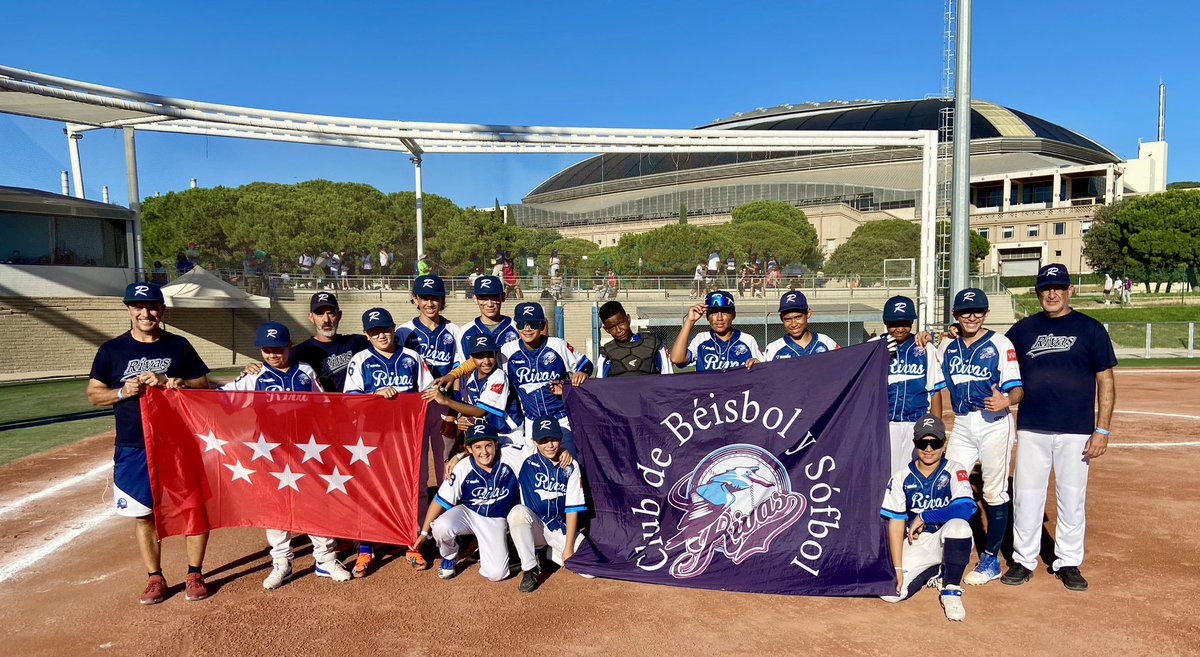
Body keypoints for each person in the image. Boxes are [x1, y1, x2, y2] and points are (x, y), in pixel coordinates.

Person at [85, 282, 211, 604]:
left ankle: (194, 573)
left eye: (152, 306)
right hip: (133, 444)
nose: (146, 313)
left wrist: (177, 383)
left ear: (162, 310)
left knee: (192, 508)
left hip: (178, 443)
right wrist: (121, 392)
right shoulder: (111, 351)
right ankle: (155, 578)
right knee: (144, 515)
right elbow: (93, 394)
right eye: (138, 307)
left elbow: (202, 384)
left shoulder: (178, 346)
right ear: (128, 309)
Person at [1001, 264, 1116, 591]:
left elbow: (1105, 380)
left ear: (1070, 291)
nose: (1052, 294)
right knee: (1026, 496)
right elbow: (996, 354)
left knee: (1072, 497)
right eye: (1045, 289)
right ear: (1038, 293)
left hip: (1077, 430)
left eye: (1058, 288)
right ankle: (1023, 560)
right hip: (1033, 427)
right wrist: (954, 332)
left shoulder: (1091, 329)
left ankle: (1067, 561)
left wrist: (1102, 429)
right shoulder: (1022, 330)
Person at [219, 322, 353, 588]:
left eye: (277, 348)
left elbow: (325, 404)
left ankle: (325, 560)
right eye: (266, 349)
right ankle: (281, 562)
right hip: (271, 452)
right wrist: (177, 389)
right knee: (276, 508)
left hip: (308, 449)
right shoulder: (253, 376)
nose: (272, 354)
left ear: (289, 347)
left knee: (316, 503)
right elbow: (221, 399)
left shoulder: (304, 371)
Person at [930, 287, 1023, 586]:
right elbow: (927, 357)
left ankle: (990, 559)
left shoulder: (1000, 343)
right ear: (955, 315)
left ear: (986, 313)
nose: (972, 316)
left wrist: (1007, 401)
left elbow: (1017, 388)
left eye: (979, 311)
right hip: (963, 423)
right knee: (949, 483)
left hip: (994, 422)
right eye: (966, 312)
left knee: (994, 492)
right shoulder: (947, 347)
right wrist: (924, 338)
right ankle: (948, 549)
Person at [343, 307, 434, 577]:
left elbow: (428, 389)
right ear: (366, 335)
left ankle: (411, 541)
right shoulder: (359, 360)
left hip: (406, 436)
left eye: (384, 328)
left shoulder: (411, 357)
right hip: (370, 438)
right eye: (374, 331)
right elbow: (349, 400)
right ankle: (365, 548)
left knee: (408, 490)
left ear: (394, 327)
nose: (381, 335)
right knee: (369, 491)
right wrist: (375, 394)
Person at [879, 414, 976, 622]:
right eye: (923, 442)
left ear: (944, 443)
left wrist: (924, 515)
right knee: (891, 594)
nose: (929, 449)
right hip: (918, 543)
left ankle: (950, 590)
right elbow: (895, 523)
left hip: (946, 538)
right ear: (915, 444)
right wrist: (897, 569)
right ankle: (935, 570)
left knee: (959, 527)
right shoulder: (901, 477)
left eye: (935, 442)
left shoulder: (954, 469)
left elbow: (966, 509)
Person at [414, 423, 525, 582]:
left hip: (495, 518)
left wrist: (562, 452)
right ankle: (450, 555)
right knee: (440, 527)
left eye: (488, 445)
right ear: (469, 449)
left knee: (496, 574)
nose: (484, 452)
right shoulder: (461, 468)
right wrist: (424, 533)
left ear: (496, 444)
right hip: (468, 513)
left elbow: (540, 449)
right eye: (478, 447)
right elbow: (439, 500)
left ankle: (488, 542)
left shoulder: (511, 456)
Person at [501, 302, 592, 456]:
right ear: (516, 326)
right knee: (537, 467)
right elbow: (483, 364)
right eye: (523, 324)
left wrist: (581, 373)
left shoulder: (557, 345)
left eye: (533, 324)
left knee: (569, 465)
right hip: (531, 421)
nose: (527, 329)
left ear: (542, 324)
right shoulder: (507, 351)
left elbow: (586, 365)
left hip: (562, 419)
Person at [507, 416, 587, 593]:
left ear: (560, 439)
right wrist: (459, 456)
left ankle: (547, 553)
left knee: (588, 570)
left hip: (558, 526)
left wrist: (568, 549)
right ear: (535, 442)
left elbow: (573, 507)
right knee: (517, 513)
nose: (550, 445)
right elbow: (488, 452)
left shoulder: (570, 465)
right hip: (533, 525)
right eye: (543, 440)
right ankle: (530, 568)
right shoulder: (525, 457)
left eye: (554, 439)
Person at [396, 274, 464, 480]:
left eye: (435, 298)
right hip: (413, 405)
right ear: (415, 299)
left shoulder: (454, 331)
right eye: (424, 298)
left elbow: (459, 377)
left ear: (443, 300)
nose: (429, 303)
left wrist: (453, 412)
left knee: (445, 462)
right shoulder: (403, 332)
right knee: (412, 463)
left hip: (443, 404)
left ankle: (444, 507)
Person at [877, 295, 942, 475]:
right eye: (893, 323)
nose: (899, 328)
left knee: (914, 474)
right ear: (885, 321)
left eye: (905, 323)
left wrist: (936, 429)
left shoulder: (925, 348)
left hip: (916, 422)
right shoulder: (874, 347)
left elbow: (934, 390)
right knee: (885, 475)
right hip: (884, 423)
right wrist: (879, 354)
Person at [422, 333, 523, 446]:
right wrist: (460, 420)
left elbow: (479, 411)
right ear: (471, 358)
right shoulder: (470, 375)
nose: (486, 361)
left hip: (509, 433)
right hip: (488, 431)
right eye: (480, 356)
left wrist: (445, 401)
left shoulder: (498, 377)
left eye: (490, 355)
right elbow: (468, 406)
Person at [290, 292, 371, 392]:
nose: (326, 319)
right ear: (311, 317)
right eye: (320, 313)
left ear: (339, 315)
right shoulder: (299, 352)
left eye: (331, 313)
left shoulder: (357, 343)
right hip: (318, 406)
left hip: (351, 405)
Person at [670, 290, 762, 372]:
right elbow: (676, 358)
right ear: (707, 316)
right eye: (714, 312)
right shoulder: (700, 339)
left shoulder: (747, 340)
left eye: (725, 312)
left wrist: (757, 364)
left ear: (733, 315)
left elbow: (763, 369)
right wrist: (690, 321)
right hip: (707, 391)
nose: (719, 318)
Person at [595, 301, 673, 378]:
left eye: (621, 323)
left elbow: (668, 377)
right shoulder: (606, 354)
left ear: (628, 319)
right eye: (612, 327)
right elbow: (599, 386)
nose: (619, 330)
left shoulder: (654, 344)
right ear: (606, 330)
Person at [763, 291, 839, 360]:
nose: (793, 324)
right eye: (787, 319)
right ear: (781, 318)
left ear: (808, 313)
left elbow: (842, 366)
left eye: (798, 317)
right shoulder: (773, 349)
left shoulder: (826, 342)